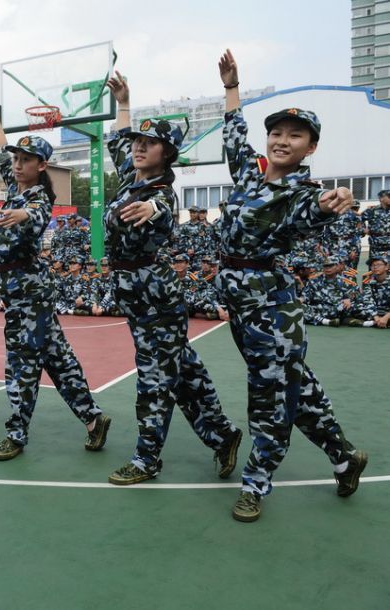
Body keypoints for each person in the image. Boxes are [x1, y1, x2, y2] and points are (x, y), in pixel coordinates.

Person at [216, 49, 367, 522]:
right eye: (277, 133)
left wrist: (331, 203)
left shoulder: (300, 195)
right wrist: (231, 89)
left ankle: (256, 485)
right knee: (297, 393)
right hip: (243, 308)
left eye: (295, 135)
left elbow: (313, 212)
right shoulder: (249, 175)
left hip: (272, 315)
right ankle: (344, 457)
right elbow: (234, 136)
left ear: (311, 147)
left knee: (269, 399)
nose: (282, 140)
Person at [102, 72, 240, 485]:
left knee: (154, 378)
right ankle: (223, 434)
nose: (139, 148)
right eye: (138, 144)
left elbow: (162, 208)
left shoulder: (161, 193)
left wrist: (152, 211)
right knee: (183, 372)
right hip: (136, 294)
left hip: (155, 298)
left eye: (150, 144)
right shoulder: (132, 177)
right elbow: (119, 138)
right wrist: (125, 100)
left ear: (168, 153)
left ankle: (147, 460)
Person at [0, 86, 110, 460]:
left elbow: (34, 215)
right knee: (59, 360)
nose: (18, 164)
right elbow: (2, 149)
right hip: (24, 292)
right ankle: (93, 419)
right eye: (17, 158)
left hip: (29, 295)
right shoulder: (14, 184)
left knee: (20, 363)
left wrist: (21, 215)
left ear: (41, 165)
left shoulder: (37, 197)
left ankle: (16, 434)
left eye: (26, 159)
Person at [362, 190, 390, 258]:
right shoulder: (372, 210)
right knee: (375, 266)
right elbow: (359, 220)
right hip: (376, 246)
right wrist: (363, 229)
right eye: (389, 196)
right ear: (381, 199)